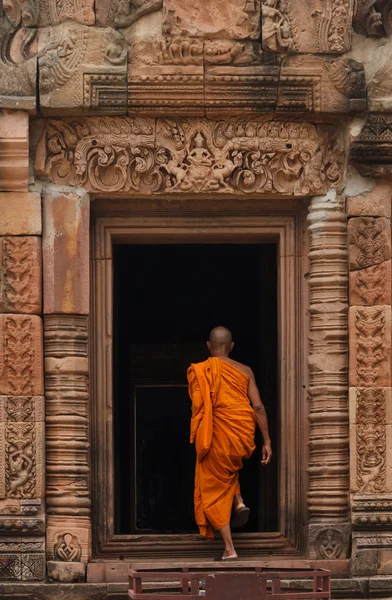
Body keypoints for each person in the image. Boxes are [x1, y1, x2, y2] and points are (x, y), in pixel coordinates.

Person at [187, 326, 272, 561]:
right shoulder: (245, 371)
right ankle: (237, 501)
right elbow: (258, 407)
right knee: (226, 471)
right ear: (232, 347)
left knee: (213, 487)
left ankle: (229, 549)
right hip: (241, 434)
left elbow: (197, 404)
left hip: (216, 433)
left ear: (208, 346)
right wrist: (266, 441)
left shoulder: (201, 371)